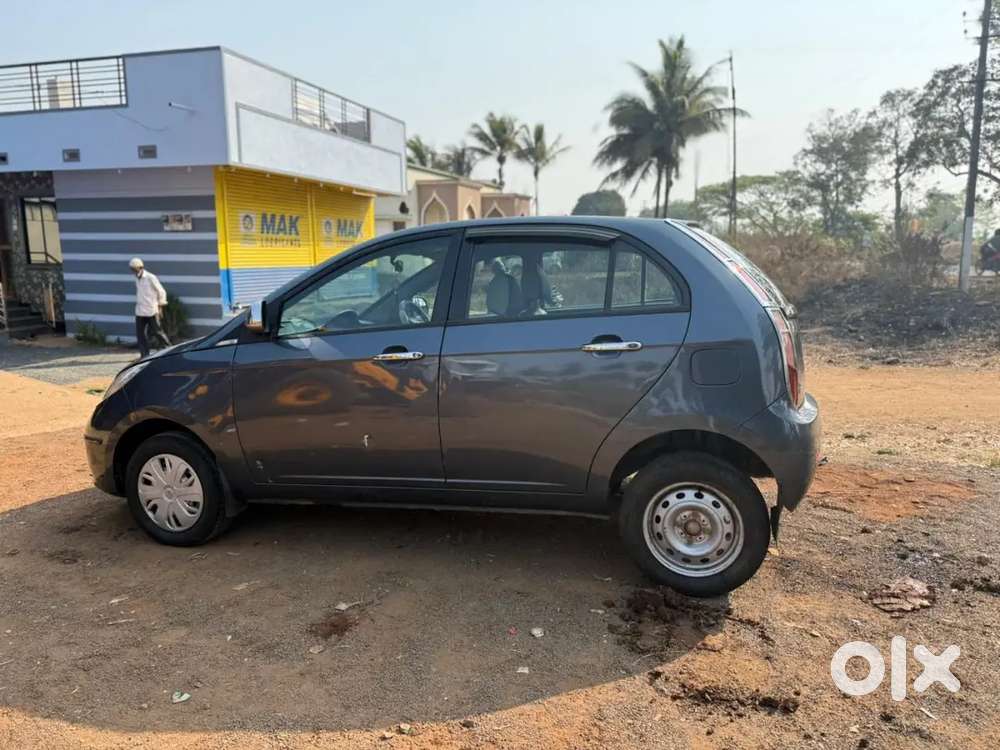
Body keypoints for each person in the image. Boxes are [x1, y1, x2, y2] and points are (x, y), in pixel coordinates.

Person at [130, 257, 171, 358]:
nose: (133, 270)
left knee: (158, 332)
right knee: (140, 334)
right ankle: (144, 354)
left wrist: (160, 305)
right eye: (132, 268)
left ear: (140, 267)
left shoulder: (150, 277)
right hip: (140, 310)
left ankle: (169, 350)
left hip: (151, 310)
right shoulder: (136, 278)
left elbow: (161, 291)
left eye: (135, 268)